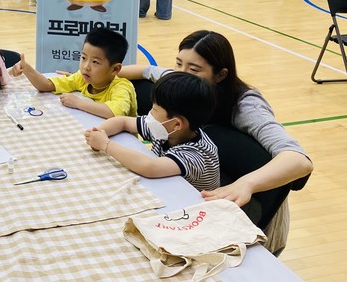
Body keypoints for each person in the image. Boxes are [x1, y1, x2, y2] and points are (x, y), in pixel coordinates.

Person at [118, 29, 314, 254]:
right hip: (197, 185)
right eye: (179, 63)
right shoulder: (184, 82)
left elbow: (299, 160)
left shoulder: (246, 105)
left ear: (220, 75)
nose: (181, 73)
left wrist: (246, 184)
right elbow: (146, 70)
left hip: (242, 202)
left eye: (194, 69)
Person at [86, 72, 219, 191]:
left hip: (192, 204)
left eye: (154, 110)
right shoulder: (166, 128)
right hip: (165, 188)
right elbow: (123, 122)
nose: (150, 114)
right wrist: (99, 132)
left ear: (177, 124)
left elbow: (150, 167)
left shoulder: (195, 155)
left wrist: (105, 144)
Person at [10, 27, 136, 119]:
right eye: (83, 58)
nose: (86, 67)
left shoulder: (121, 87)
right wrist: (27, 69)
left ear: (115, 69)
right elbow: (46, 85)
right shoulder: (81, 78)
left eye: (95, 62)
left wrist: (78, 103)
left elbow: (115, 112)